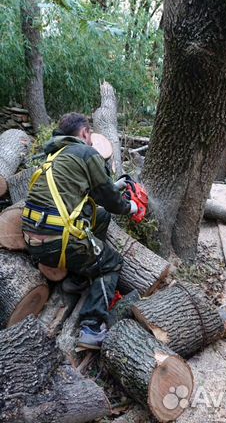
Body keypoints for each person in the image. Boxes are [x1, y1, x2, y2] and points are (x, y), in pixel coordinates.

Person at [22, 112, 138, 349]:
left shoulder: (55, 155)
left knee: (100, 216)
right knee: (112, 263)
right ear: (85, 133)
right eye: (90, 135)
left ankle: (77, 276)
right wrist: (130, 206)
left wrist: (113, 187)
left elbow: (91, 196)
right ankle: (91, 327)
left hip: (32, 240)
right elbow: (112, 202)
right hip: (58, 243)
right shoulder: (86, 153)